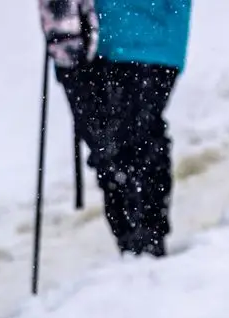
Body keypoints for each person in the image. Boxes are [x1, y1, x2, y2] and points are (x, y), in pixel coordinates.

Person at [43, 0, 191, 258]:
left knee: (137, 141)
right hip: (75, 33)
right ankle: (133, 248)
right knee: (107, 153)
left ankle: (147, 244)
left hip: (147, 32)